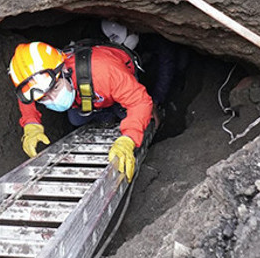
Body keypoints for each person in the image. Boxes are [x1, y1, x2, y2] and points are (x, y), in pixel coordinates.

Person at [8, 41, 153, 182]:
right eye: (44, 98)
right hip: (91, 93)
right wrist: (31, 124)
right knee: (76, 119)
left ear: (64, 70)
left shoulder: (104, 71)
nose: (53, 98)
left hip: (115, 80)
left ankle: (115, 110)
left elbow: (140, 101)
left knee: (127, 115)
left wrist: (129, 138)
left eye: (56, 88)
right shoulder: (39, 83)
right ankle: (105, 113)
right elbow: (27, 98)